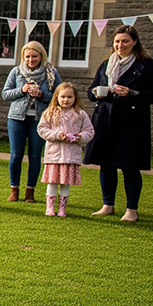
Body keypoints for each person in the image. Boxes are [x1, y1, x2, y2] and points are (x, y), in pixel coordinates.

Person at [84, 26, 153, 222]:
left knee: (130, 166)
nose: (120, 45)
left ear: (135, 42)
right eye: (117, 41)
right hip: (105, 119)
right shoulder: (105, 64)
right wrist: (95, 93)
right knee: (106, 164)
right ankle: (107, 205)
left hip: (131, 122)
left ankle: (131, 210)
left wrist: (132, 93)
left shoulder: (147, 65)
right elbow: (91, 90)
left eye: (125, 41)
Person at [1, 41, 61, 202]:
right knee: (15, 155)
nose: (30, 60)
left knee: (35, 156)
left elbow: (59, 96)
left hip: (40, 119)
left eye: (34, 56)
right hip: (16, 118)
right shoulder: (16, 72)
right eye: (27, 56)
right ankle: (14, 189)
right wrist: (22, 90)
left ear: (41, 56)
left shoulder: (51, 73)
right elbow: (5, 94)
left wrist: (42, 94)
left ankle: (30, 191)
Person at [37, 83, 94, 217]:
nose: (66, 100)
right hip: (54, 155)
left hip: (70, 156)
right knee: (52, 181)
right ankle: (50, 207)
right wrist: (58, 136)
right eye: (62, 96)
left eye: (69, 97)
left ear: (75, 98)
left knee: (65, 183)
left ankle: (62, 208)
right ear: (57, 97)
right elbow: (42, 129)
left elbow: (89, 131)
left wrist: (80, 137)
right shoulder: (50, 113)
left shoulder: (80, 114)